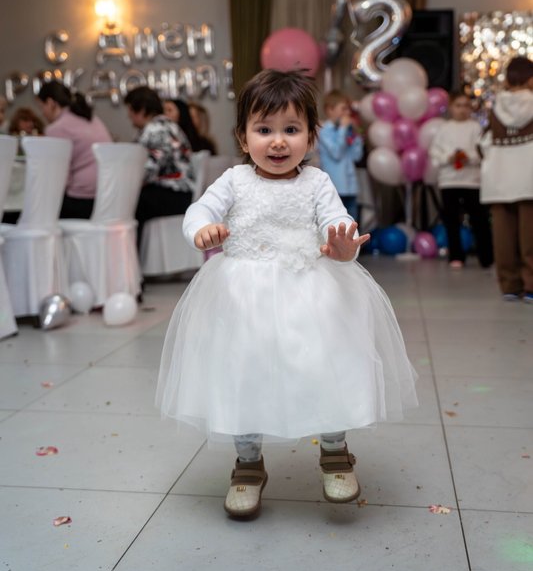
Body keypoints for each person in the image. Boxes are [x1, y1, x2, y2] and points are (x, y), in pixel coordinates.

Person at [156, 69, 418, 520]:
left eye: (291, 130)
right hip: (243, 297)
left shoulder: (316, 183)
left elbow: (337, 221)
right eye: (264, 130)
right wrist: (202, 229)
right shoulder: (234, 180)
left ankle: (335, 452)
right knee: (243, 373)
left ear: (311, 137)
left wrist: (344, 244)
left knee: (325, 368)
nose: (278, 142)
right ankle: (247, 463)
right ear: (243, 137)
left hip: (309, 293)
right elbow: (199, 209)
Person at [480, 56, 533, 302]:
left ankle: (510, 285)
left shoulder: (495, 107)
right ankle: (531, 286)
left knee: (503, 237)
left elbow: (483, 143)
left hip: (498, 178)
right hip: (529, 177)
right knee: (530, 237)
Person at [429, 91, 493, 269]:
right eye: (458, 106)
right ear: (450, 107)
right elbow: (435, 152)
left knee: (479, 219)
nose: (462, 110)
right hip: (449, 181)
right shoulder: (444, 128)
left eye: (466, 106)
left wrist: (468, 157)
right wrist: (449, 157)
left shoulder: (475, 127)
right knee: (451, 221)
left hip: (472, 181)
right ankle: (456, 255)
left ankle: (486, 257)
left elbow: (484, 151)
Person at [125, 86, 195, 247]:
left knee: (130, 203)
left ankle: (132, 255)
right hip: (182, 193)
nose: (129, 116)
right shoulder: (169, 125)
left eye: (130, 110)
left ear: (142, 110)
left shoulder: (155, 130)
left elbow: (146, 171)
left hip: (174, 194)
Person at [38, 81, 112, 219]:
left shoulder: (57, 128)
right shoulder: (93, 119)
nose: (42, 113)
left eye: (42, 106)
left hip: (83, 201)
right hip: (107, 197)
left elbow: (58, 178)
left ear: (50, 103)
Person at [317, 89, 364, 220]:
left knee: (353, 226)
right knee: (336, 224)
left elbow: (357, 156)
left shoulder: (347, 131)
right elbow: (336, 153)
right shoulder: (325, 132)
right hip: (335, 188)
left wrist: (357, 135)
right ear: (330, 110)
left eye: (348, 109)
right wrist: (343, 129)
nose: (347, 113)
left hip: (350, 187)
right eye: (343, 109)